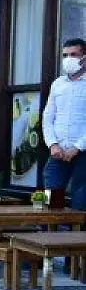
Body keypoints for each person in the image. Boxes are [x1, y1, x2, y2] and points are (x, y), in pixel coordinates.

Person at [42, 38, 86, 210]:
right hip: (58, 151)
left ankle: (78, 236)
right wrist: (52, 144)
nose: (68, 59)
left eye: (74, 54)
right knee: (50, 193)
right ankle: (46, 232)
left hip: (82, 152)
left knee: (80, 199)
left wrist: (77, 147)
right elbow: (48, 117)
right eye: (65, 55)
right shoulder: (57, 84)